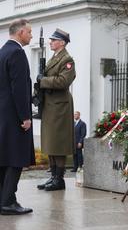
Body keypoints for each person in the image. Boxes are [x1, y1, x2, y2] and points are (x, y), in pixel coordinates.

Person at [0, 19, 35, 215]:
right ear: (20, 32)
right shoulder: (17, 53)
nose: (31, 35)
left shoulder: (2, 51)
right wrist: (25, 116)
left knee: (4, 158)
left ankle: (3, 199)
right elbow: (19, 88)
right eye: (29, 32)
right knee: (15, 159)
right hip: (14, 116)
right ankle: (8, 202)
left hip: (2, 115)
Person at [36, 28, 76, 191]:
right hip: (50, 104)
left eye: (53, 40)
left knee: (58, 143)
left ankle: (59, 179)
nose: (50, 42)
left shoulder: (67, 60)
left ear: (62, 42)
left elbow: (63, 81)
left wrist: (43, 80)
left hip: (60, 106)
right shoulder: (55, 57)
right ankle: (53, 177)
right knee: (51, 142)